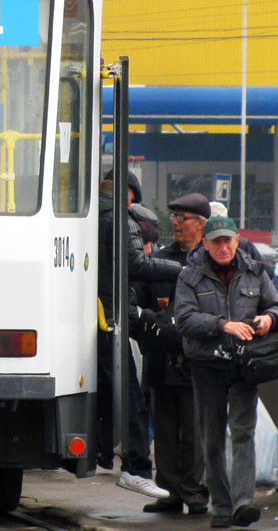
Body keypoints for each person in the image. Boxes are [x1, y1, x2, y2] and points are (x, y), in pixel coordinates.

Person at [174, 216, 278, 529]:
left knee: (243, 432)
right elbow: (183, 319)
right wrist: (222, 325)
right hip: (207, 365)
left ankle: (242, 503)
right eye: (216, 242)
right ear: (205, 244)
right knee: (211, 438)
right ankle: (222, 506)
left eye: (228, 241)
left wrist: (269, 319)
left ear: (237, 240)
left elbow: (276, 306)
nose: (223, 247)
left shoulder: (255, 270)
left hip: (244, 364)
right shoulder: (189, 276)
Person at [96, 170, 180, 500]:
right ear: (129, 194)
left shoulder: (86, 214)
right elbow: (136, 264)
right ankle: (137, 469)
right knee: (131, 398)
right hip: (111, 320)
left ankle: (104, 451)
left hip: (89, 318)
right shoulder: (119, 216)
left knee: (105, 392)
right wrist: (181, 271)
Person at [137, 192, 211, 515]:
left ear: (200, 224)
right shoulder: (160, 260)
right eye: (174, 218)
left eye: (182, 218)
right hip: (162, 358)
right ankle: (168, 492)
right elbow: (139, 300)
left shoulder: (209, 261)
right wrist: (154, 316)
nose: (176, 223)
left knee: (194, 430)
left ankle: (195, 493)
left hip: (196, 359)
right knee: (165, 429)